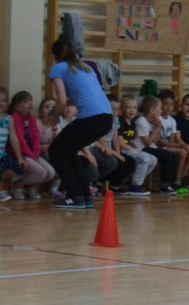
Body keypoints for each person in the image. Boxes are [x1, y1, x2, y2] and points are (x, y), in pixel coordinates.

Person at [48, 36, 114, 209]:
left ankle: (75, 195)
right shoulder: (86, 67)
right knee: (69, 151)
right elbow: (80, 96)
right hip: (107, 118)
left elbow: (61, 100)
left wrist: (54, 118)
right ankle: (85, 196)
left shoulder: (57, 68)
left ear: (54, 56)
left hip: (91, 119)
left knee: (56, 150)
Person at [9, 91, 56, 200]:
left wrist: (35, 152)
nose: (30, 104)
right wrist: (30, 154)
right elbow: (20, 138)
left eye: (31, 101)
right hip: (20, 153)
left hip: (32, 153)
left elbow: (35, 136)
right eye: (26, 102)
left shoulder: (31, 118)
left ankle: (31, 188)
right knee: (41, 172)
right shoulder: (15, 118)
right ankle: (17, 185)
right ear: (17, 107)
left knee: (51, 173)